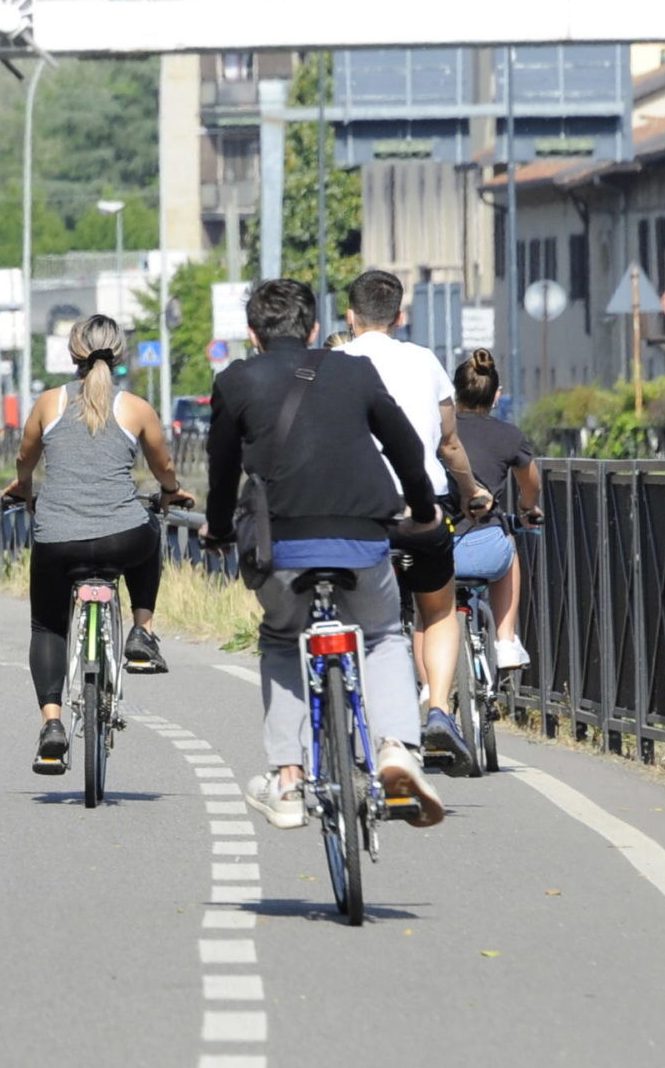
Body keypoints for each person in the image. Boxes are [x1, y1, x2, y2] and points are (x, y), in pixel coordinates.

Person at [203, 277, 443, 830]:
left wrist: (217, 529)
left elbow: (221, 470)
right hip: (362, 536)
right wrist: (424, 508)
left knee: (283, 639)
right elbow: (404, 442)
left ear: (252, 334)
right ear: (314, 329)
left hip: (280, 545)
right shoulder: (353, 370)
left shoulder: (236, 380)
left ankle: (288, 779)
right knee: (382, 636)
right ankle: (397, 749)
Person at [0, 315, 194, 776]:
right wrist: (171, 491)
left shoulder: (49, 403)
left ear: (73, 354)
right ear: (120, 354)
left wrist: (23, 486)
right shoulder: (137, 409)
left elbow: (25, 457)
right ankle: (141, 631)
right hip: (122, 538)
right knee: (151, 528)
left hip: (58, 541)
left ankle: (52, 726)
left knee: (48, 626)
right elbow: (163, 467)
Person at [339, 268, 491, 766]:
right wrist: (472, 490)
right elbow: (449, 443)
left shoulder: (334, 364)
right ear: (400, 317)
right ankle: (439, 710)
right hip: (423, 512)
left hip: (359, 514)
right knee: (438, 609)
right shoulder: (425, 362)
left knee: (356, 613)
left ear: (350, 316)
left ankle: (364, 718)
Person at [451, 348, 542, 670]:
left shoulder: (440, 433)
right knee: (508, 547)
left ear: (455, 393)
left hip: (440, 547)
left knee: (429, 609)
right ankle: (505, 640)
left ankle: (430, 688)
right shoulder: (509, 436)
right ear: (496, 396)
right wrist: (527, 508)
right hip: (487, 546)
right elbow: (531, 483)